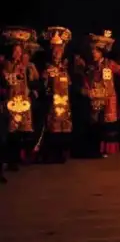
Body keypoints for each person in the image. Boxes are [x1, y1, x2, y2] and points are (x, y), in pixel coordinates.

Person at [82, 31, 120, 157]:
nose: (93, 53)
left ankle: (108, 149)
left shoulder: (110, 64)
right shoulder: (91, 66)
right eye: (92, 51)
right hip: (96, 96)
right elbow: (87, 80)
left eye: (95, 51)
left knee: (108, 123)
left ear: (101, 52)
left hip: (110, 97)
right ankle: (97, 149)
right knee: (96, 123)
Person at [1, 27, 40, 171]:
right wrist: (15, 74)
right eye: (15, 50)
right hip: (11, 100)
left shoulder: (25, 65)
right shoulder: (7, 64)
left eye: (20, 51)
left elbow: (33, 80)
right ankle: (9, 160)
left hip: (23, 100)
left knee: (21, 132)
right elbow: (7, 79)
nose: (17, 53)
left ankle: (17, 158)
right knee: (11, 131)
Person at [40, 27, 74, 163]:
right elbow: (44, 84)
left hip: (65, 104)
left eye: (59, 49)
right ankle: (52, 154)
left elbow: (70, 84)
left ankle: (63, 152)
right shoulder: (47, 67)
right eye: (54, 49)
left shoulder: (66, 68)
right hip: (53, 103)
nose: (56, 52)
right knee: (52, 127)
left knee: (65, 127)